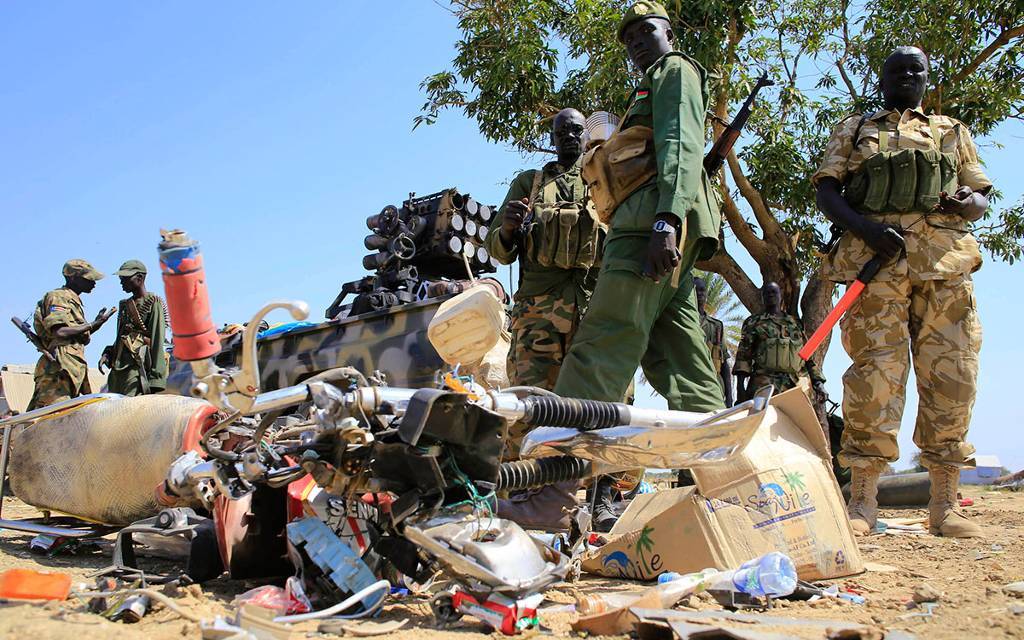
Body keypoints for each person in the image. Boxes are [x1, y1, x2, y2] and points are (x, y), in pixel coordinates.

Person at [545, 1, 723, 532]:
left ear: (669, 30)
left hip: (649, 227)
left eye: (646, 31)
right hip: (659, 229)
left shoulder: (675, 71)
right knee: (684, 366)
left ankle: (548, 489)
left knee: (601, 344)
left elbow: (680, 144)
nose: (638, 43)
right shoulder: (654, 81)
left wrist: (666, 219)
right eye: (629, 40)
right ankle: (726, 485)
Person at [812, 46, 990, 538]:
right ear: (883, 78)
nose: (908, 75)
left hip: (945, 267)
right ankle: (863, 499)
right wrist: (864, 229)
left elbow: (980, 194)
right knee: (874, 377)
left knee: (954, 377)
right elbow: (827, 190)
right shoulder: (854, 128)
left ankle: (945, 504)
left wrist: (966, 203)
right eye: (898, 69)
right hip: (877, 267)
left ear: (927, 78)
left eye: (917, 69)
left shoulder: (951, 131)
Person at [485, 107, 602, 457]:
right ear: (551, 139)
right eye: (562, 130)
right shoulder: (530, 183)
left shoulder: (603, 177)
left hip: (593, 308)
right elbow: (497, 250)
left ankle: (599, 493)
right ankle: (523, 487)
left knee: (600, 404)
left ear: (587, 135)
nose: (569, 135)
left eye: (576, 129)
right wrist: (507, 228)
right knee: (529, 405)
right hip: (538, 314)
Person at [27, 259, 115, 410]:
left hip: (71, 368)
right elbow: (60, 331)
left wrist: (97, 323)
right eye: (88, 278)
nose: (93, 282)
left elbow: (74, 336)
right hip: (58, 369)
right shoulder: (58, 297)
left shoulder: (72, 299)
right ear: (73, 278)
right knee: (52, 418)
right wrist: (92, 324)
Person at [734, 282, 826, 403]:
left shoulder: (795, 323)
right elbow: (743, 356)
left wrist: (818, 383)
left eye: (774, 292)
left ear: (780, 296)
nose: (770, 295)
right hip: (764, 385)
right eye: (767, 293)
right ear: (762, 297)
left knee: (796, 421)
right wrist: (740, 388)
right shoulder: (753, 322)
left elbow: (807, 355)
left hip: (795, 386)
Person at [100, 260, 169, 396]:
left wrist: (156, 379)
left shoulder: (153, 303)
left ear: (140, 278)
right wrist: (108, 353)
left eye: (125, 279)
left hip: (138, 369)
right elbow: (121, 337)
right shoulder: (125, 305)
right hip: (118, 369)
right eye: (121, 279)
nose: (122, 283)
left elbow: (157, 341)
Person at [695, 276, 734, 406]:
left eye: (702, 290)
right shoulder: (684, 322)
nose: (700, 294)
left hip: (715, 388)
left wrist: (729, 398)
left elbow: (724, 365)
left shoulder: (716, 326)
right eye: (696, 290)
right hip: (690, 385)